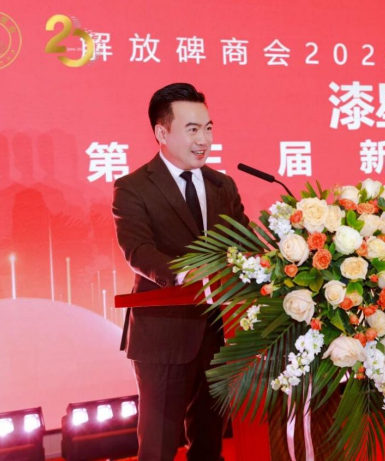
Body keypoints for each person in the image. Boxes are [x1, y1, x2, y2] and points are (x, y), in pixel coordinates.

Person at [112, 83, 249, 460]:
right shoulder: (133, 187)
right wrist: (187, 274)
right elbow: (138, 250)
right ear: (162, 132)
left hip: (218, 333)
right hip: (163, 333)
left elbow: (244, 242)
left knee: (209, 443)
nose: (204, 140)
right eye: (192, 130)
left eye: (208, 128)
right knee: (158, 447)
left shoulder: (222, 185)